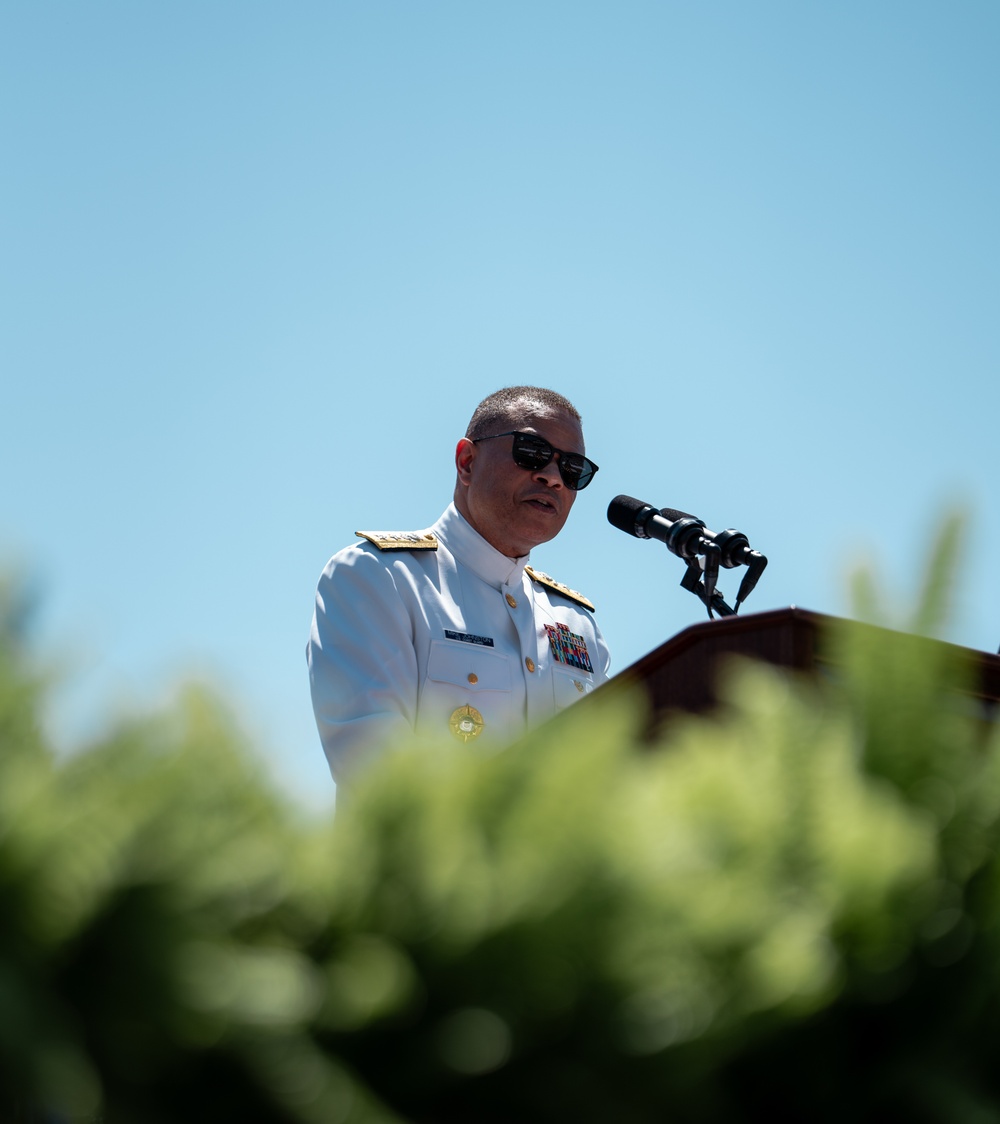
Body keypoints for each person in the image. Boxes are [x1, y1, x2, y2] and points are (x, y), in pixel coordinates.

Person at [306, 386, 611, 785]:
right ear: (467, 462)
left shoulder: (577, 625)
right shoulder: (380, 577)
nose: (552, 477)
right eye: (532, 453)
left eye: (573, 470)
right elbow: (376, 772)